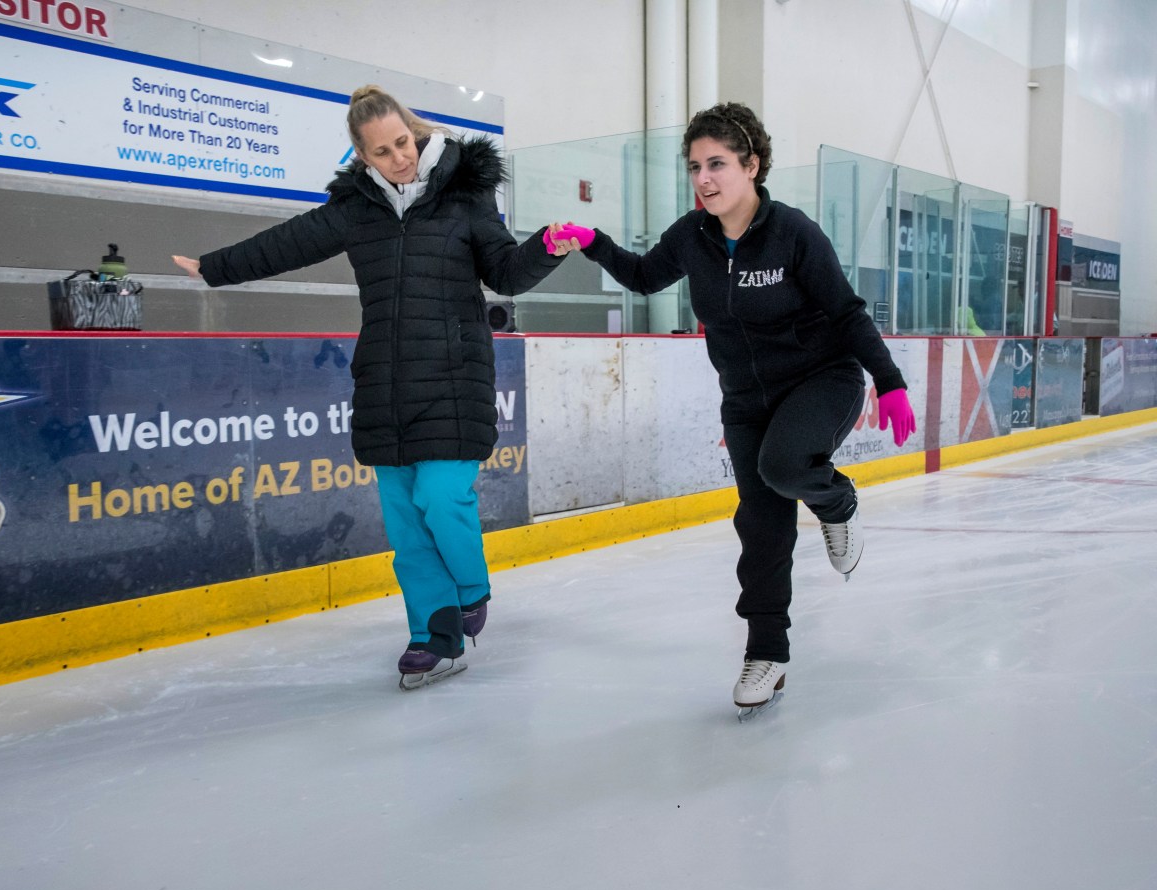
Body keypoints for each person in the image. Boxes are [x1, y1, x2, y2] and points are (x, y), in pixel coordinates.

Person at [173, 86, 565, 690]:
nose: (399, 158)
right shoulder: (356, 208)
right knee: (406, 521)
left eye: (403, 143)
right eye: (382, 152)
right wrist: (216, 267)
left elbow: (506, 269)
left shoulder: (465, 194)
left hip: (456, 376)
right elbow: (289, 242)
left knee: (443, 496)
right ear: (363, 155)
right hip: (385, 380)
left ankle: (470, 589)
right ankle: (433, 637)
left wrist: (548, 246)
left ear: (415, 131)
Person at [545, 102, 917, 714]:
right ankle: (767, 652)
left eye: (717, 164)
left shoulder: (793, 232)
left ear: (753, 166)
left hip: (823, 378)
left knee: (787, 466)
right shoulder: (690, 238)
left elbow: (846, 311)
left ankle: (836, 501)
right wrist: (593, 242)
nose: (703, 179)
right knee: (762, 526)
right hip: (745, 399)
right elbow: (641, 276)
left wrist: (890, 380)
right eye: (695, 166)